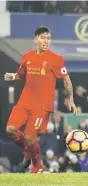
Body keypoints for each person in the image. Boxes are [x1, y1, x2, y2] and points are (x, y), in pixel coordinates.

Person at [3, 26, 77, 174]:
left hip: (42, 106)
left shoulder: (56, 59)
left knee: (30, 138)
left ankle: (38, 167)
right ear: (36, 39)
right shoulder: (27, 56)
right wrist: (12, 76)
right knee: (10, 130)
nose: (46, 41)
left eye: (48, 38)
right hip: (25, 102)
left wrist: (71, 99)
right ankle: (28, 152)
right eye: (43, 38)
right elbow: (20, 74)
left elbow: (66, 80)